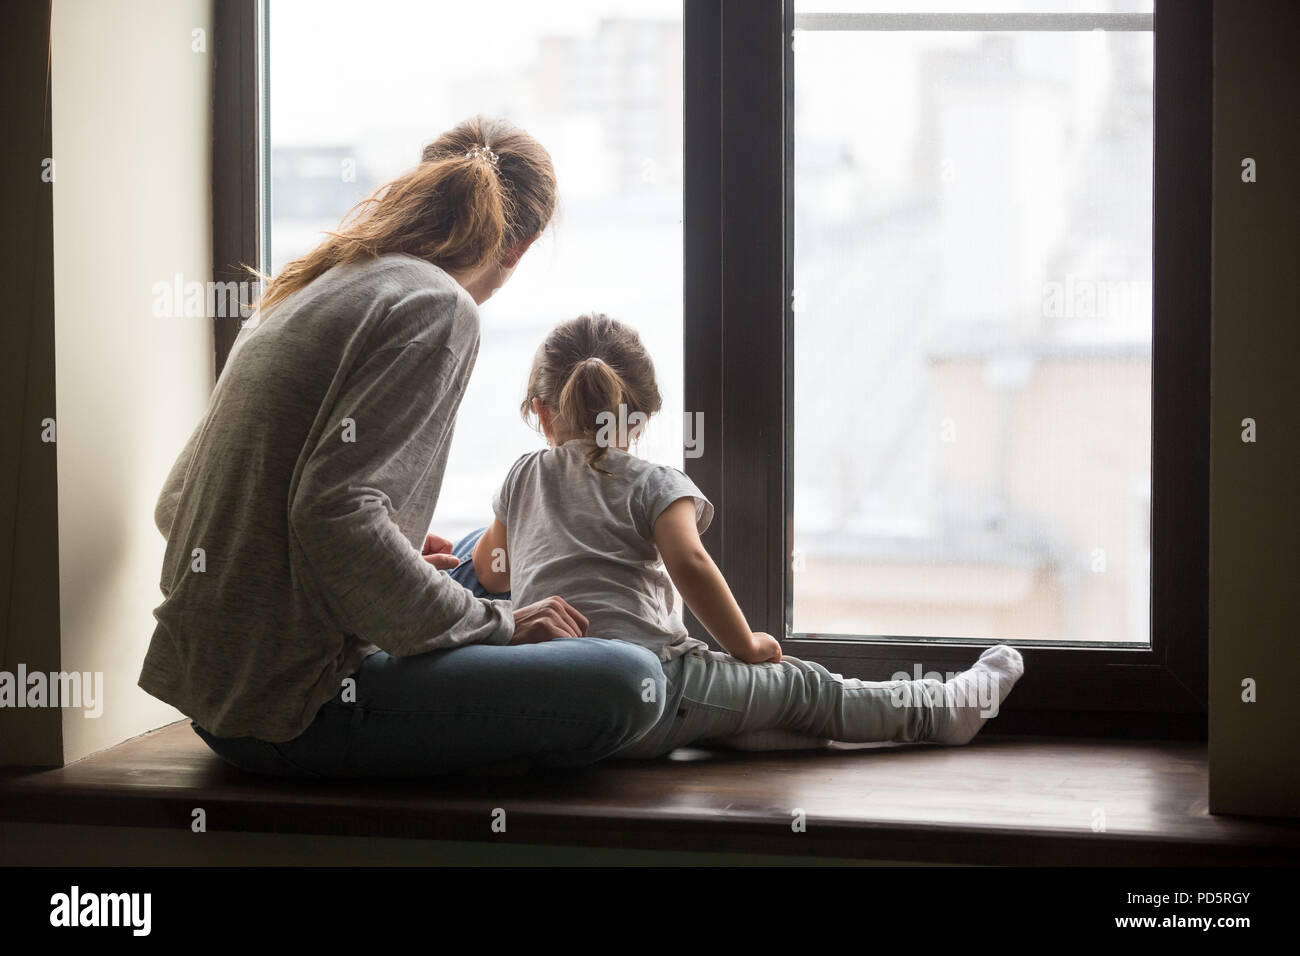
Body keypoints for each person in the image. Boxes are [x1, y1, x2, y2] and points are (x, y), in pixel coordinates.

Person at [140, 117, 668, 778]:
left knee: (480, 547)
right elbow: (331, 516)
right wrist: (499, 629)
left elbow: (178, 503)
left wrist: (370, 566)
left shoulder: (307, 287)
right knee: (630, 678)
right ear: (523, 246)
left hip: (215, 698)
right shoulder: (438, 305)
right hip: (296, 710)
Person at [457, 313, 1026, 759]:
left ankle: (756, 727)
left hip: (560, 708)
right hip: (658, 692)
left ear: (541, 412)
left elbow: (491, 571)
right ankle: (939, 712)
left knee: (743, 701)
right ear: (642, 416)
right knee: (806, 686)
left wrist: (453, 557)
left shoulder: (522, 475)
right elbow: (693, 565)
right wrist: (747, 646)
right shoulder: (655, 483)